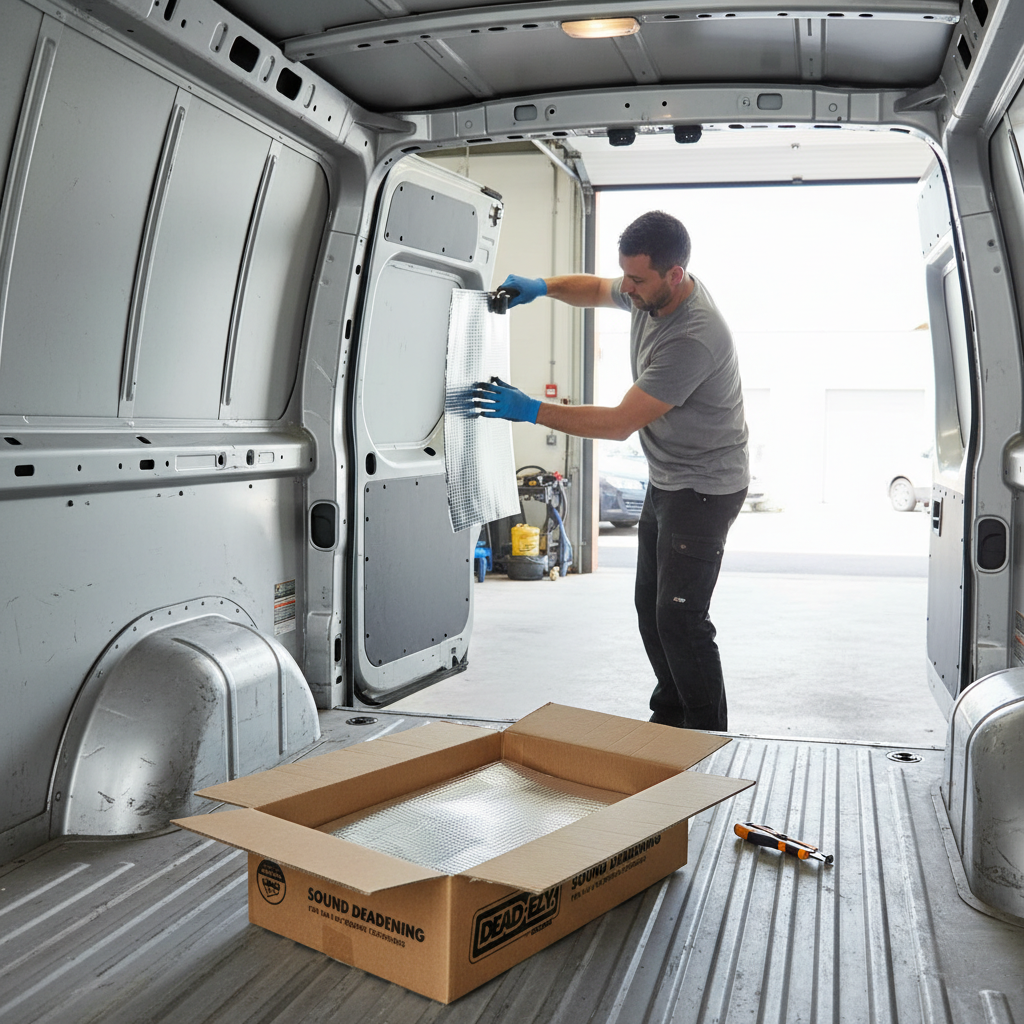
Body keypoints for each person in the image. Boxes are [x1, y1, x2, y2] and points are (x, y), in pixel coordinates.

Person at [474, 211, 748, 732]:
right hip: (668, 479)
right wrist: (543, 287)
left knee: (681, 617)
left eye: (637, 280)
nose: (626, 289)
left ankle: (707, 736)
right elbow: (597, 289)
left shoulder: (693, 335)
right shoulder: (648, 289)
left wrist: (530, 409)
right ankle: (669, 720)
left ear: (675, 273)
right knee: (651, 608)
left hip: (705, 488)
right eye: (626, 275)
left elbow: (621, 422)